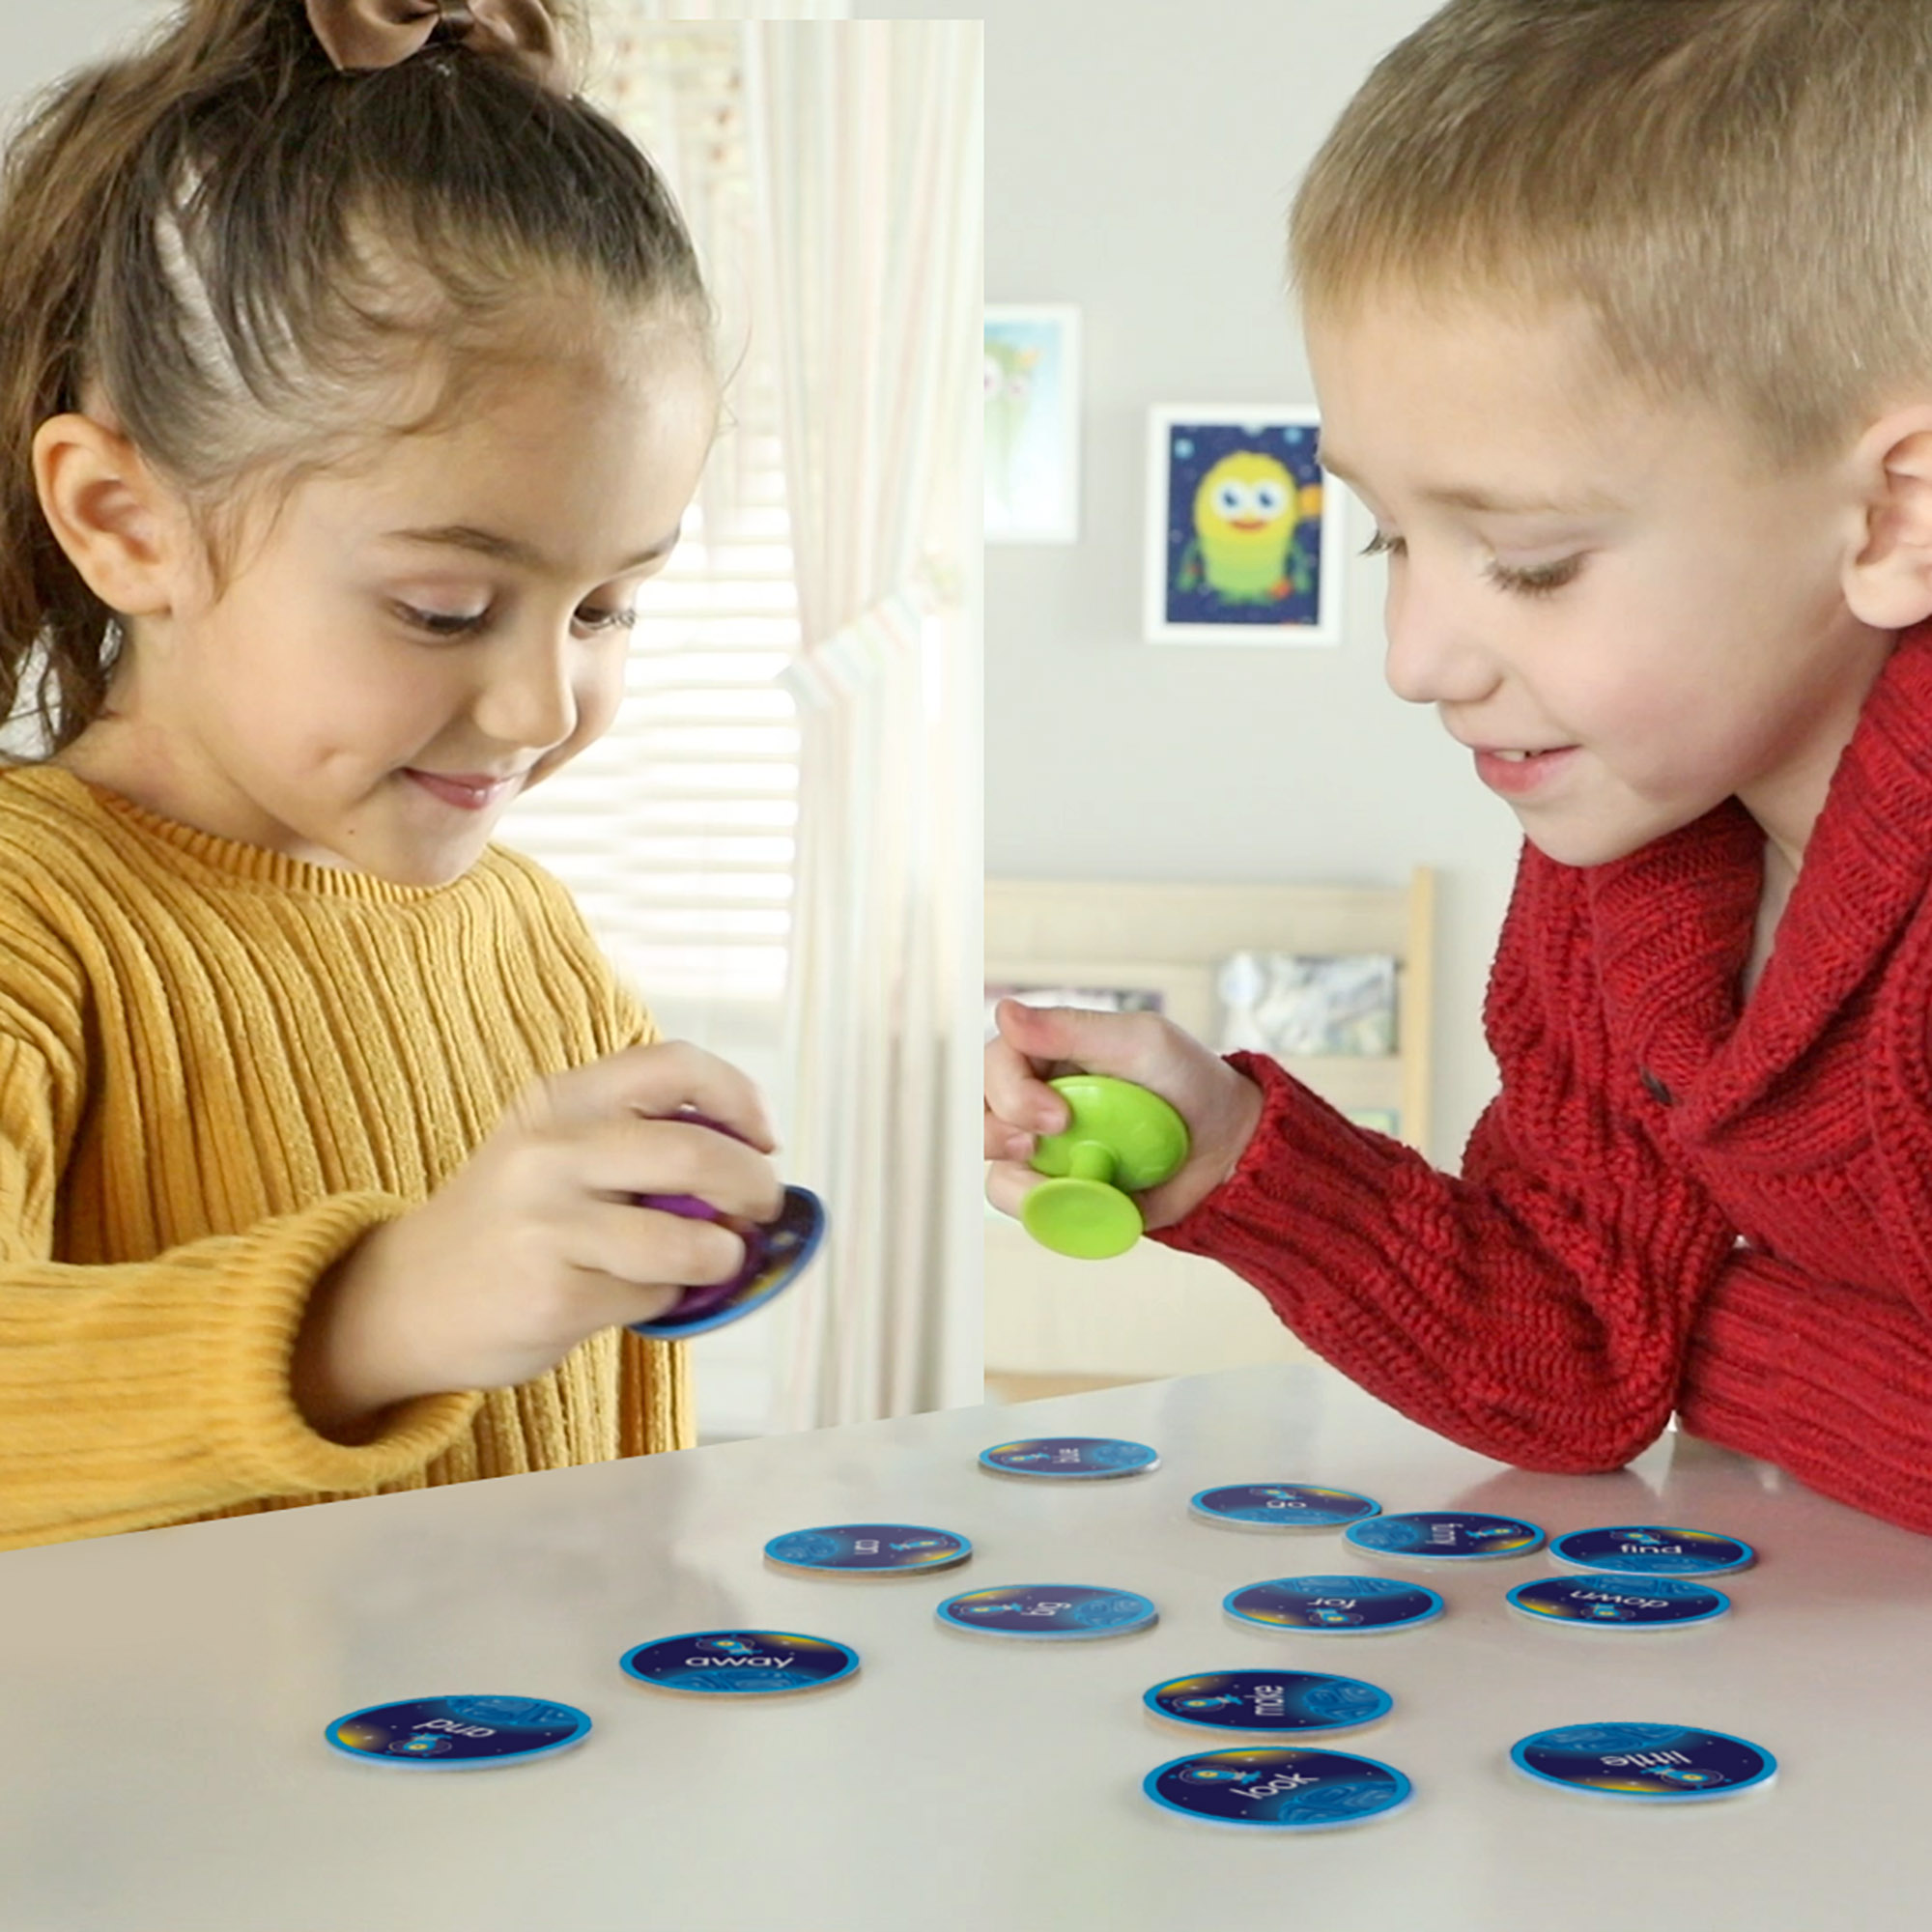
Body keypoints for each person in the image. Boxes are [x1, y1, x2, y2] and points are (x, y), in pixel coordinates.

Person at [985, 0, 1932, 1538]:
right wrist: (1233, 1156)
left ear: (1895, 517)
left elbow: (1660, 1354)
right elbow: (1583, 1363)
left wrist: (1725, 1337)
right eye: (1388, 539)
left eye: (1531, 561)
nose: (1416, 659)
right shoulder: (1627, 845)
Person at [0, 0, 785, 1550]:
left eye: (607, 607)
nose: (539, 703)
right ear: (125, 523)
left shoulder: (539, 948)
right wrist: (381, 1309)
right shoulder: (34, 931)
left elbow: (623, 1482)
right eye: (444, 607)